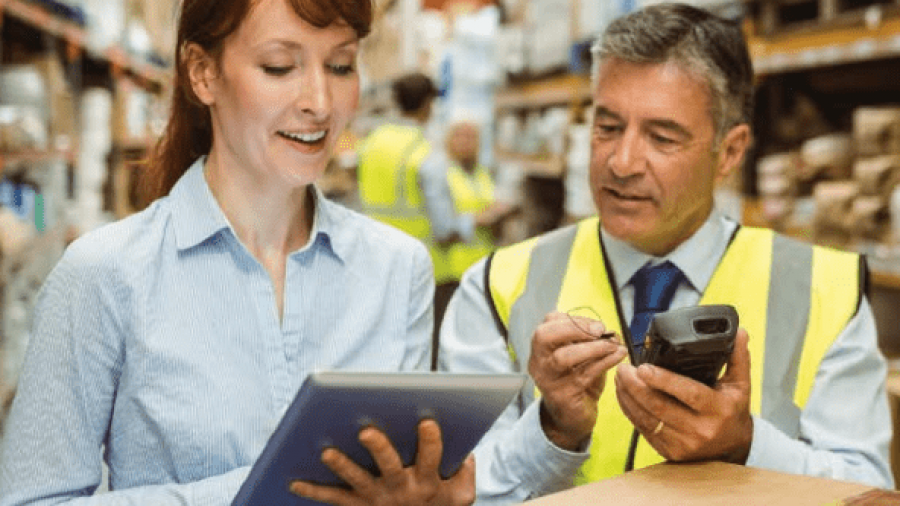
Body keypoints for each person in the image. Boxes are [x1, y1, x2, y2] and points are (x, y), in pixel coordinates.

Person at [0, 0, 474, 504]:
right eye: (279, 66)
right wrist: (281, 490)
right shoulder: (105, 275)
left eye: (340, 65)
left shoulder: (398, 271)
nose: (320, 101)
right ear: (203, 74)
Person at [438, 2, 894, 503]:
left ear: (731, 152)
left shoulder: (824, 290)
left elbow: (866, 489)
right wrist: (554, 431)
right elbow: (460, 490)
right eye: (607, 126)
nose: (623, 161)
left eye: (662, 136)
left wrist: (746, 446)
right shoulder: (498, 286)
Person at [356, 74, 484, 362]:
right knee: (427, 360)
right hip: (426, 272)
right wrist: (478, 222)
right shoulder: (425, 154)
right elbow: (444, 228)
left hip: (376, 266)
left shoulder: (372, 144)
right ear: (427, 104)